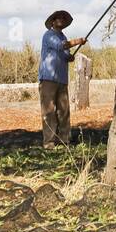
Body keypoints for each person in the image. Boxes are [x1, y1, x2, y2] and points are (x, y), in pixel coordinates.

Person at [38, 9, 85, 147]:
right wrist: (78, 41)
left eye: (63, 18)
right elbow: (61, 46)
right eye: (58, 17)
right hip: (48, 79)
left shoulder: (63, 37)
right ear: (52, 22)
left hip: (62, 79)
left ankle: (64, 140)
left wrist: (69, 57)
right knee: (49, 111)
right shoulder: (48, 35)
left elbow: (65, 54)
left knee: (64, 111)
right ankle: (49, 142)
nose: (61, 19)